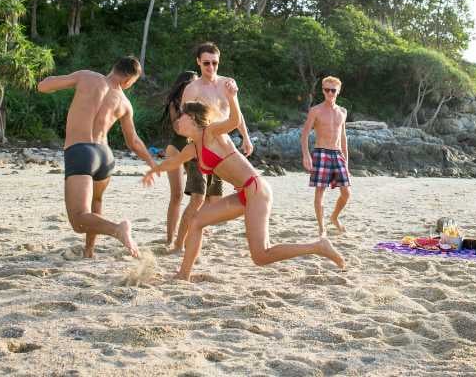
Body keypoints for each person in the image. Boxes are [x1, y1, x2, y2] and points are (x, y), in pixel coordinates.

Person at [142, 80, 345, 281]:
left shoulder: (211, 133)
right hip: (243, 193)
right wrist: (154, 170)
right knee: (196, 222)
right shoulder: (193, 147)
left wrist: (232, 98)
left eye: (182, 115)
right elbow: (173, 162)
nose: (177, 119)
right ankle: (183, 274)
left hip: (256, 190)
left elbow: (233, 121)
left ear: (193, 119)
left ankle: (318, 246)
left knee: (261, 256)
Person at [37, 56, 155, 258]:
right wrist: (152, 162)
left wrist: (49, 83)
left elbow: (43, 86)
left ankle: (118, 229)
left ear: (114, 68)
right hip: (104, 155)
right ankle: (89, 250)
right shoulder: (125, 104)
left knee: (78, 220)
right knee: (96, 202)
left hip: (81, 151)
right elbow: (133, 141)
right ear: (128, 80)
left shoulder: (87, 76)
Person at [170, 42, 252, 251]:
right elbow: (184, 122)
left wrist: (246, 137)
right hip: (200, 149)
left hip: (223, 149)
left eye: (214, 63)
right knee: (197, 198)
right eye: (206, 63)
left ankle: (194, 234)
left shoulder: (227, 84)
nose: (211, 67)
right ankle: (179, 244)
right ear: (198, 62)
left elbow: (237, 115)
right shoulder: (192, 89)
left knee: (215, 200)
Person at [300, 76, 351, 236]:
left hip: (337, 154)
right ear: (322, 90)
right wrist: (306, 155)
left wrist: (346, 163)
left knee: (346, 193)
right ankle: (322, 228)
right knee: (319, 193)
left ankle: (334, 218)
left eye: (332, 90)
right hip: (321, 152)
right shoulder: (315, 110)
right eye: (326, 90)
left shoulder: (342, 112)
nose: (329, 93)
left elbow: (343, 138)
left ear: (338, 91)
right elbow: (305, 134)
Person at [160, 70, 198, 248]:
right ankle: (170, 238)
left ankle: (188, 235)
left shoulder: (201, 101)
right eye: (190, 84)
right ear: (182, 85)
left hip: (195, 150)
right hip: (175, 149)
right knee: (176, 195)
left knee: (198, 197)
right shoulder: (174, 104)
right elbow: (178, 129)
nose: (193, 87)